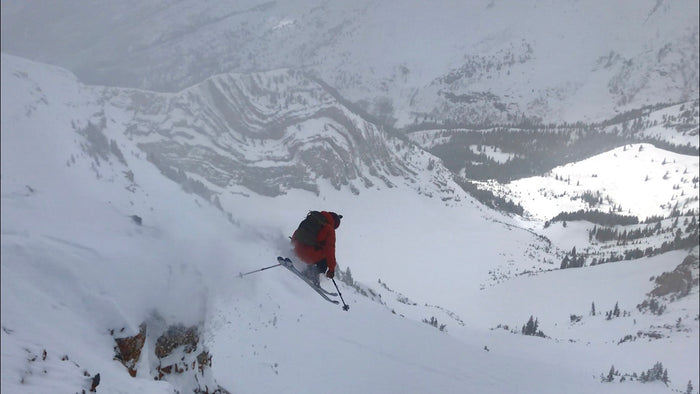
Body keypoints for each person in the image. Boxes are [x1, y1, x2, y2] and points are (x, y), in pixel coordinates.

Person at [291, 211, 342, 285]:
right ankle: (311, 274)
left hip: (296, 250)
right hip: (309, 256)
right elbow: (330, 250)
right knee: (325, 259)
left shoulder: (312, 219)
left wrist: (293, 248)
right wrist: (331, 269)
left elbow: (297, 233)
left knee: (316, 249)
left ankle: (309, 271)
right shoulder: (329, 229)